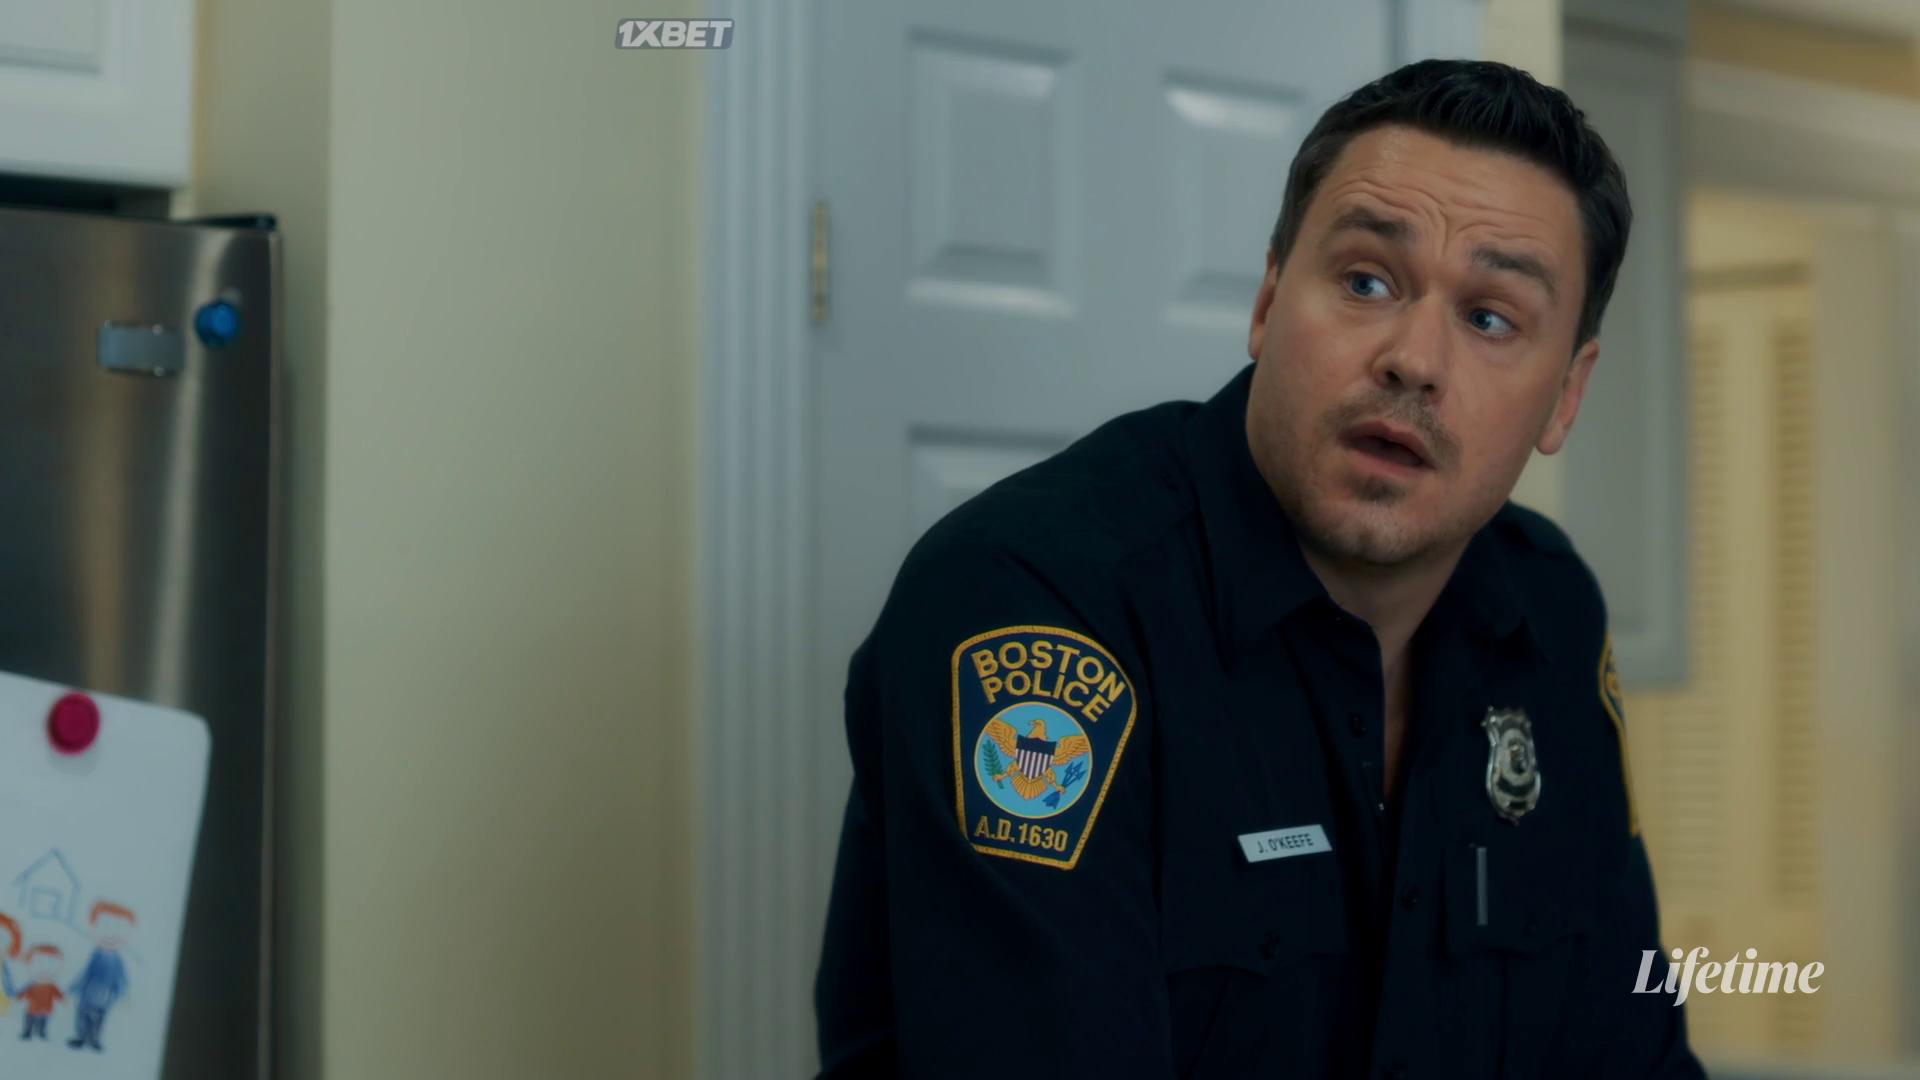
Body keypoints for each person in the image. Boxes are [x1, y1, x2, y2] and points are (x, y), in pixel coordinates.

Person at [813, 59, 1707, 1079]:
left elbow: (1629, 1046)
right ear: (1270, 298)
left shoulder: (1550, 610)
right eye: (1367, 281)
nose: (1415, 359)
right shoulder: (1034, 604)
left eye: (1490, 317)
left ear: (1566, 397)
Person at [67, 900, 133, 1052]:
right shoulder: (95, 955)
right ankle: (81, 1037)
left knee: (98, 1019)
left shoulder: (118, 961)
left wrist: (123, 995)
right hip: (87, 995)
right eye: (105, 927)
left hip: (105, 997)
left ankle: (94, 1039)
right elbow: (85, 974)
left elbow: (121, 980)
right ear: (93, 927)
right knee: (82, 1017)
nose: (110, 934)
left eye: (118, 929)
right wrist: (73, 989)